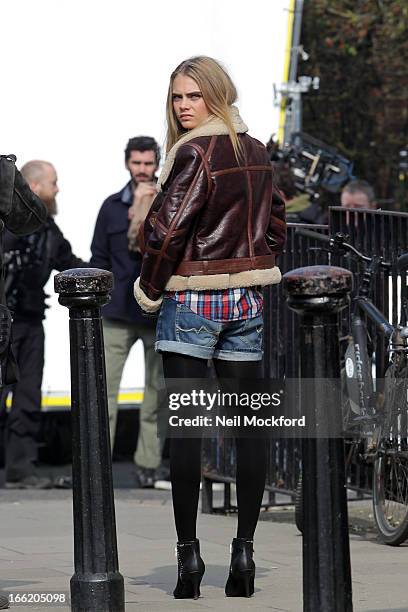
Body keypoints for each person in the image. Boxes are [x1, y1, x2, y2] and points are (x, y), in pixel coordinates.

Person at [134, 56, 286, 599]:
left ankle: (189, 560)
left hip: (195, 300)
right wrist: (254, 261)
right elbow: (276, 219)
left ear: (216, 95)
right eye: (177, 96)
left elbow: (167, 230)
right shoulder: (256, 150)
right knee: (249, 430)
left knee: (188, 434)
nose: (182, 106)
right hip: (246, 301)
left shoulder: (194, 152)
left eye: (193, 96)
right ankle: (243, 554)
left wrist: (149, 290)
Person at [1, 160, 85, 489]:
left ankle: (20, 471)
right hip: (4, 321)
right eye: (53, 182)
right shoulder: (7, 223)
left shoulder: (47, 228)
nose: (57, 189)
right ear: (34, 188)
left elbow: (69, 262)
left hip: (31, 324)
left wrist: (106, 279)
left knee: (27, 398)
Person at [90, 136, 167, 488]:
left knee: (156, 393)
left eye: (148, 163)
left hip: (156, 310)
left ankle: (148, 464)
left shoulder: (168, 204)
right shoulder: (110, 207)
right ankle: (96, 464)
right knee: (102, 392)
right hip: (117, 311)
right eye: (137, 163)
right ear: (127, 163)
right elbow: (98, 258)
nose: (142, 170)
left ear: (157, 163)